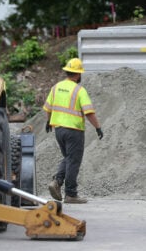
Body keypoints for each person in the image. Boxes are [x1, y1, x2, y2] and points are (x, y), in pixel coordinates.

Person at [43, 57, 103, 203]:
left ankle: (57, 182)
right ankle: (71, 194)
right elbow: (89, 112)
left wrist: (48, 121)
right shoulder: (79, 90)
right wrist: (98, 127)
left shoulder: (56, 87)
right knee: (73, 161)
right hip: (74, 131)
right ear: (77, 74)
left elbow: (48, 107)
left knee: (68, 158)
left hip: (58, 130)